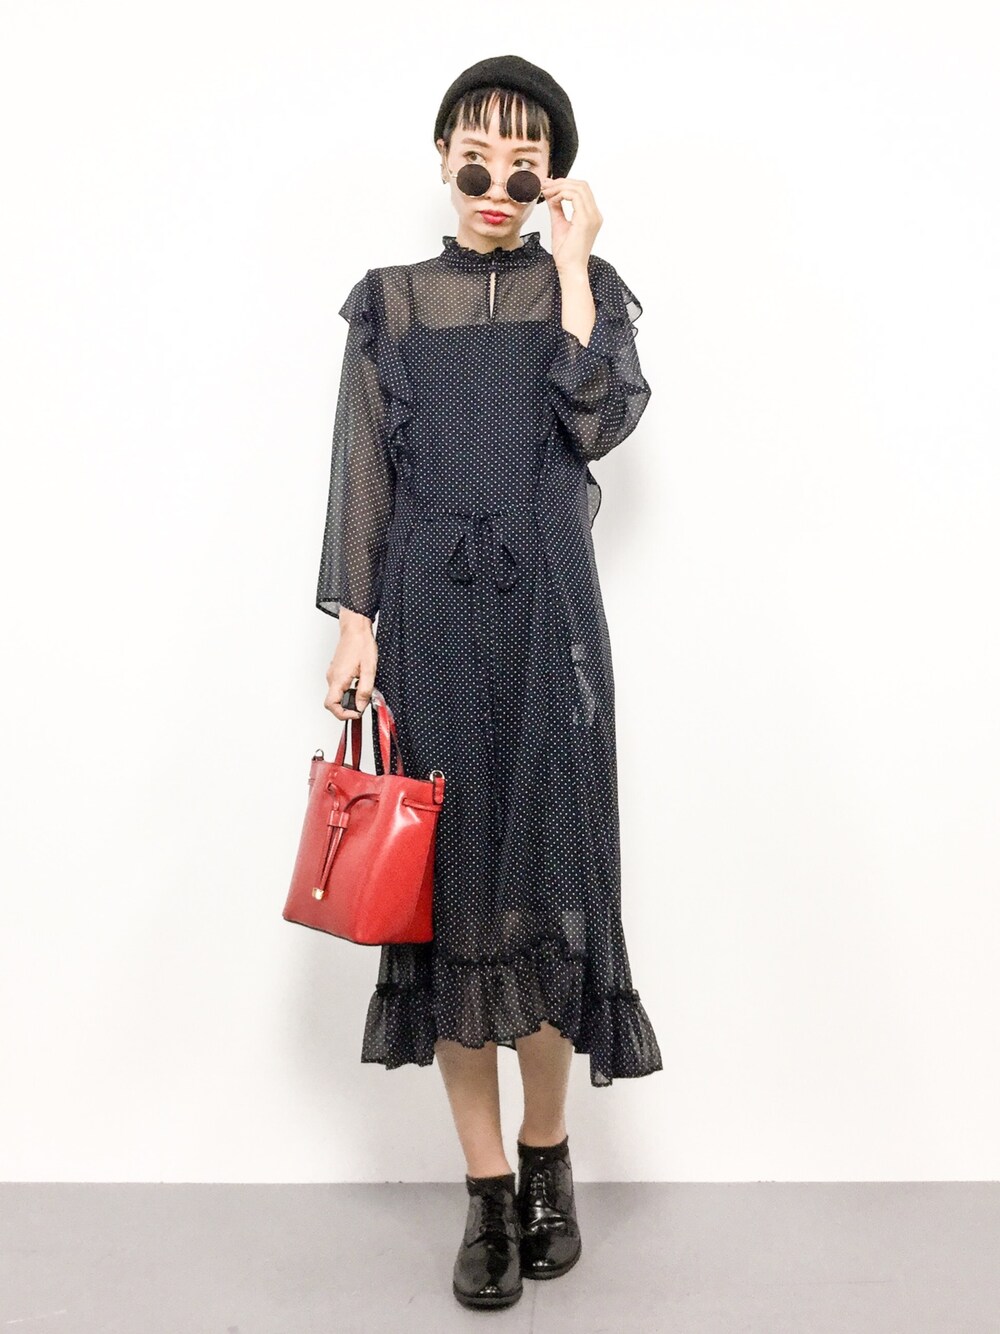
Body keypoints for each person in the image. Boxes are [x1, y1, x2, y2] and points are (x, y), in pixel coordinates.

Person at [315, 53, 663, 1310]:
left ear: (551, 176)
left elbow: (599, 415)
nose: (497, 180)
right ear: (443, 155)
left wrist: (572, 263)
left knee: (551, 899)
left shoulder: (587, 292)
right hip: (429, 621)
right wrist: (355, 622)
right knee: (452, 906)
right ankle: (484, 1194)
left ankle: (547, 1158)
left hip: (549, 615)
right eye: (479, 153)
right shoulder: (392, 303)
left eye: (527, 160)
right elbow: (363, 467)